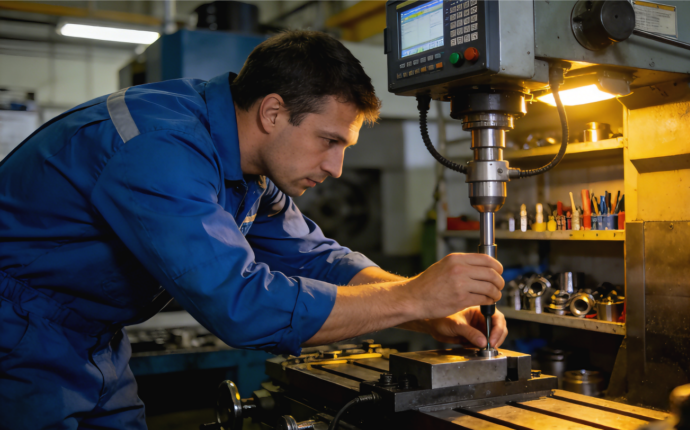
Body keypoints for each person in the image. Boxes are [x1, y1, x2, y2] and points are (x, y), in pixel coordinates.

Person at [0, 30, 507, 429]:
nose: (336, 168)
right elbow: (240, 305)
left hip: (96, 341)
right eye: (328, 141)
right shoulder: (160, 150)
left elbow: (315, 257)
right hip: (18, 336)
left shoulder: (247, 170)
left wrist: (432, 313)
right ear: (272, 111)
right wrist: (414, 298)